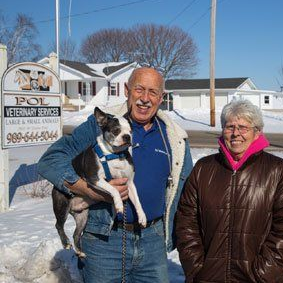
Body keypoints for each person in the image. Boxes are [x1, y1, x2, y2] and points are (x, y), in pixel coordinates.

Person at [37, 67, 193, 283]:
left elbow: (187, 196)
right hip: (104, 241)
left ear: (161, 97)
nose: (145, 99)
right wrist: (87, 189)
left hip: (152, 241)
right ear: (127, 90)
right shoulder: (102, 125)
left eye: (153, 92)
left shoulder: (175, 137)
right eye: (139, 89)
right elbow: (50, 160)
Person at [175, 99, 283, 283]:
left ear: (257, 133)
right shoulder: (203, 168)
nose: (235, 133)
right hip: (209, 277)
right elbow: (186, 222)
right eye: (229, 127)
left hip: (258, 278)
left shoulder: (276, 170)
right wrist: (198, 269)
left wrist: (262, 274)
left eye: (243, 127)